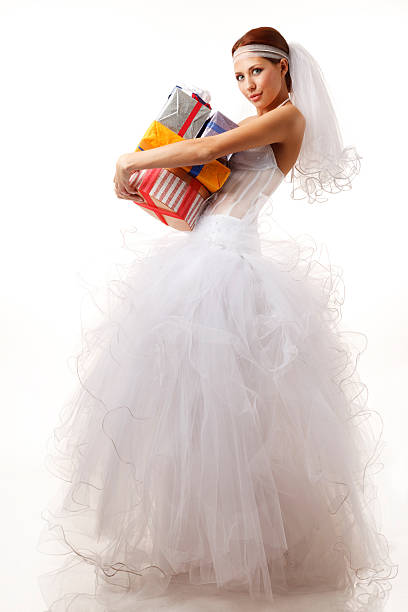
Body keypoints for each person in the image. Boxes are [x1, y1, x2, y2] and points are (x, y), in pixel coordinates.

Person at [37, 26, 398, 612]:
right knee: (189, 415)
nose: (246, 85)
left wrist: (135, 157)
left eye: (255, 71)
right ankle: (195, 543)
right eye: (238, 76)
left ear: (284, 70)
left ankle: (251, 548)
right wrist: (145, 196)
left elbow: (203, 153)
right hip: (205, 254)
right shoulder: (246, 126)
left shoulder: (290, 120)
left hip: (233, 267)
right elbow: (200, 212)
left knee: (238, 416)